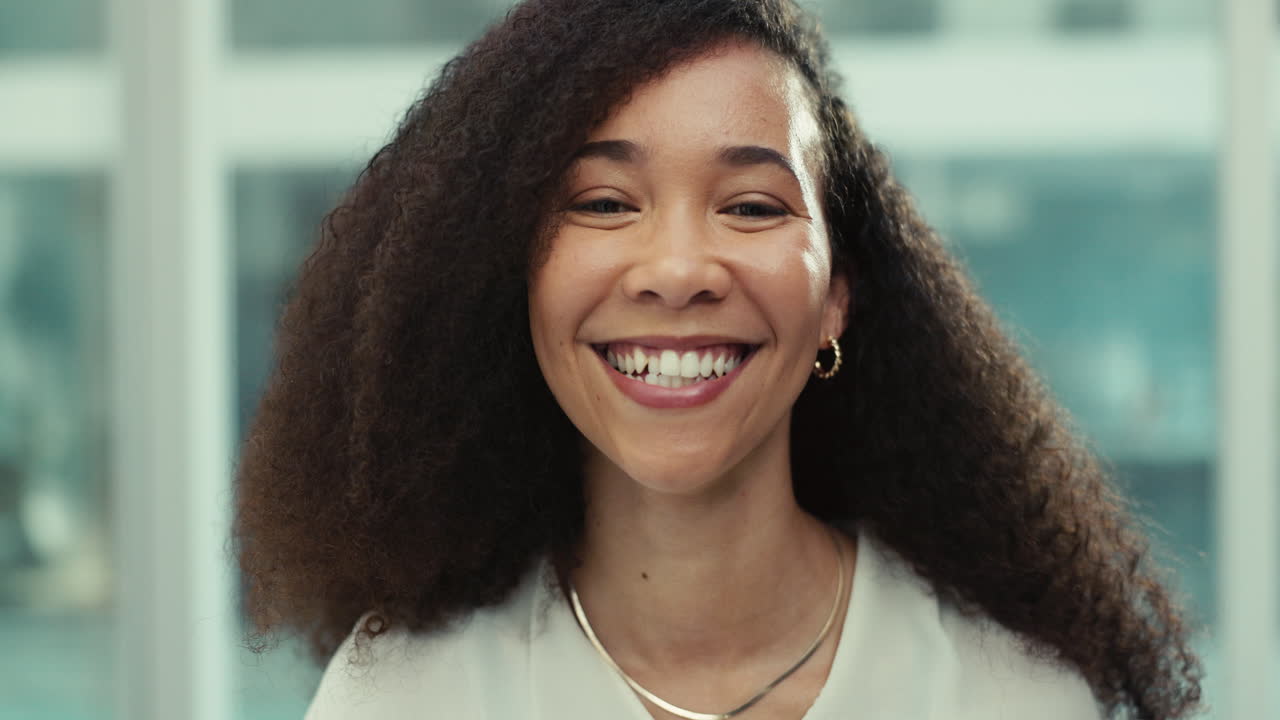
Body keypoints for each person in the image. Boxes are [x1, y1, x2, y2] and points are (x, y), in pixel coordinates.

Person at [232, 1, 1204, 718]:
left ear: (836, 295)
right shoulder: (402, 697)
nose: (678, 271)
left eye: (750, 206)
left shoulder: (1012, 697)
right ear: (515, 281)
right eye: (604, 203)